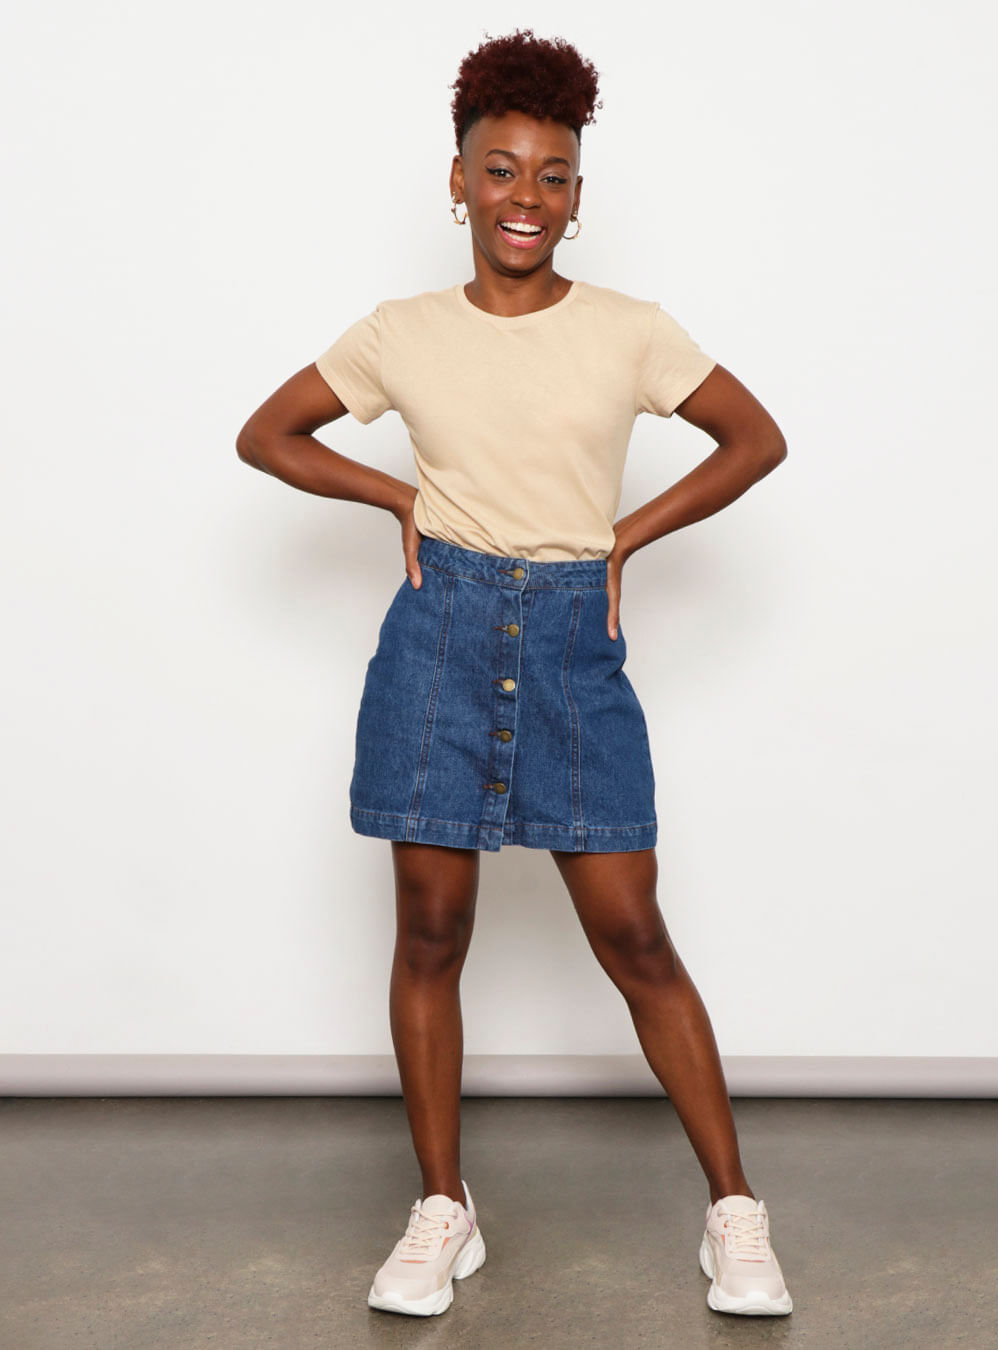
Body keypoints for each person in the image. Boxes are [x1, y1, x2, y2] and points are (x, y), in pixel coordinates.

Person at [236, 27, 792, 1322]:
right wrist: (396, 497)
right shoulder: (402, 333)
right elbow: (268, 435)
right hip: (439, 638)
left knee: (635, 934)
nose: (524, 197)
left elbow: (754, 438)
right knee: (431, 932)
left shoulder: (631, 332)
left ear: (578, 197)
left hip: (571, 643)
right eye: (500, 170)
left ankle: (734, 1210)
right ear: (459, 181)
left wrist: (626, 537)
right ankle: (445, 1205)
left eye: (551, 175)